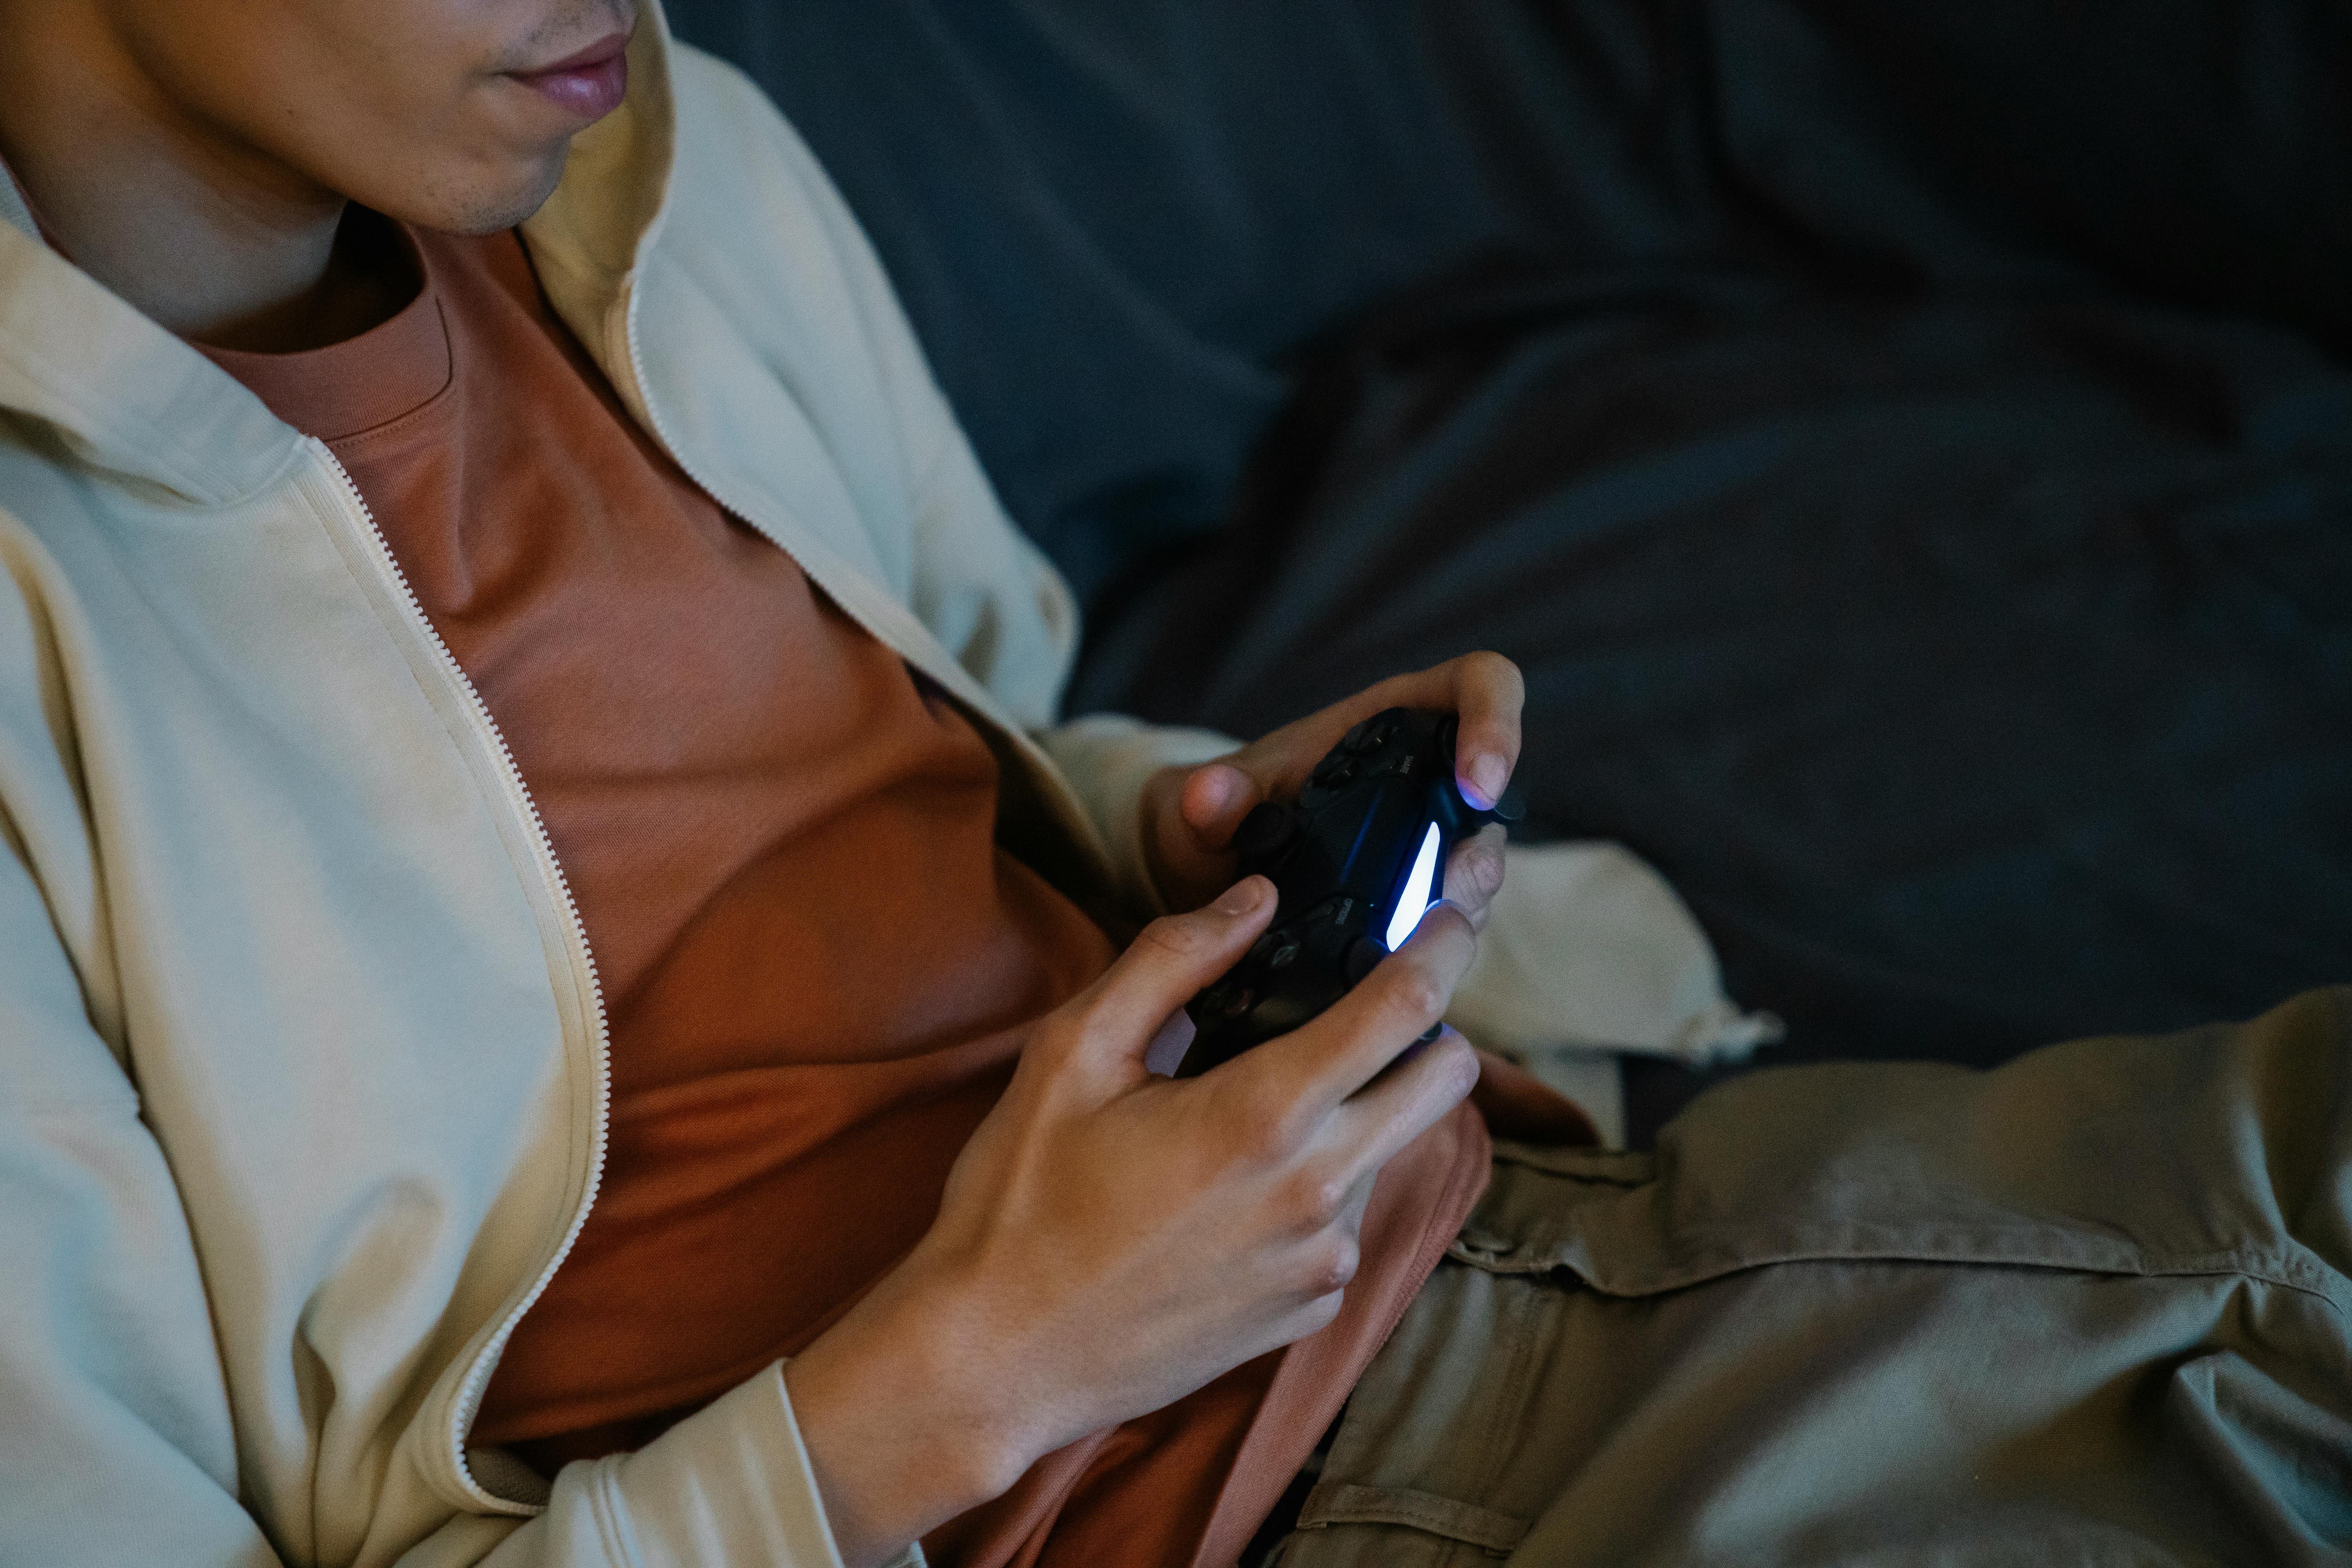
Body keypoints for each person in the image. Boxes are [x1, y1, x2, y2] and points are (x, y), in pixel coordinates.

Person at [0, 4, 2343, 1567]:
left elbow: (981, 710)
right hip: (1279, 1497)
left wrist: (1179, 827)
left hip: (1491, 1229)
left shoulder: (634, 162)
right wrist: (975, 1372)